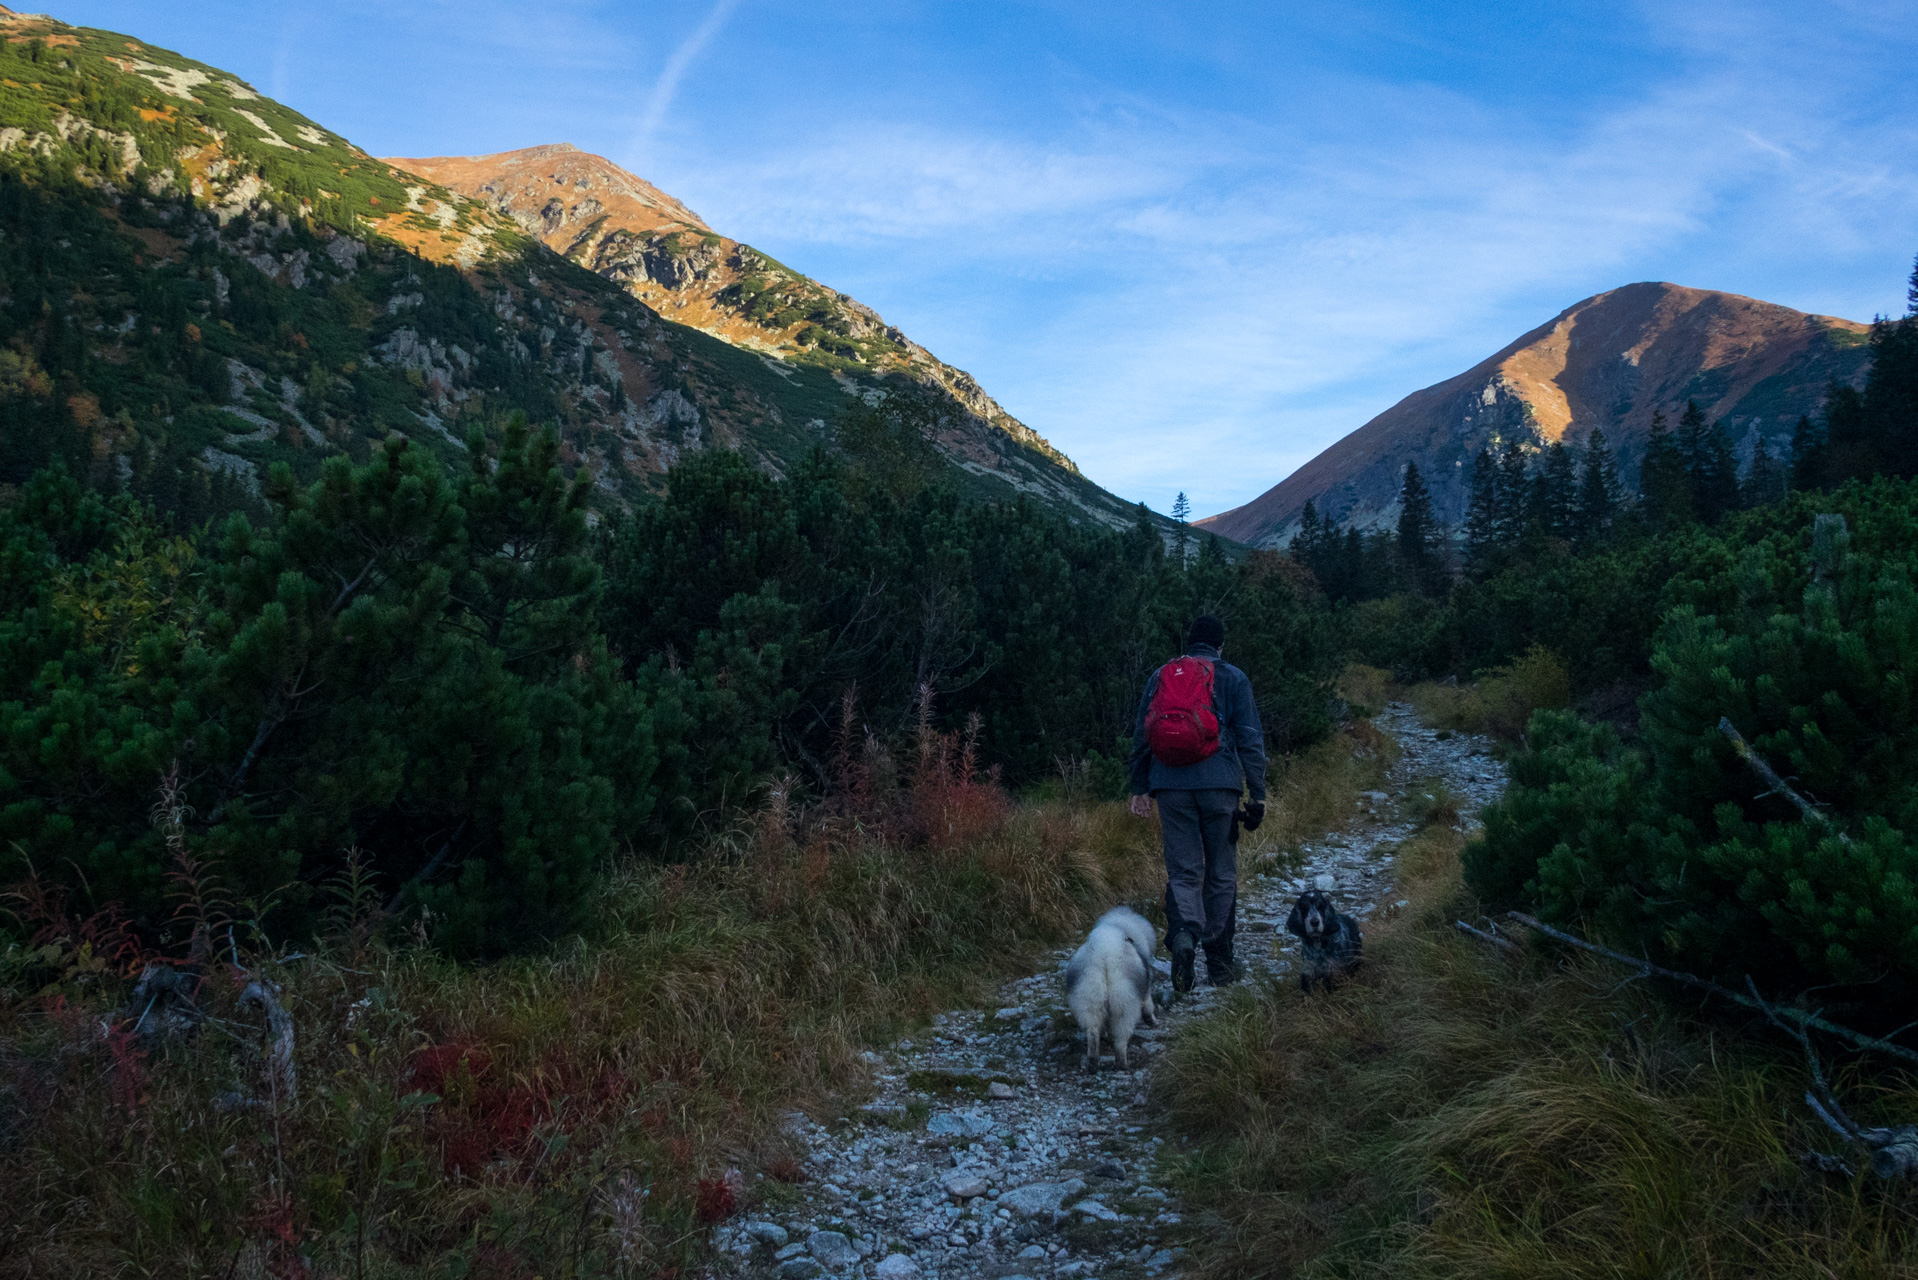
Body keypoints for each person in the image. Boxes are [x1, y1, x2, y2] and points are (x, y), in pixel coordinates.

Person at [1127, 615, 1267, 991]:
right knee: (1221, 873)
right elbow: (1250, 740)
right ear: (1221, 646)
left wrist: (1139, 786)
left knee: (1184, 872)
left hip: (1170, 786)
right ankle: (1220, 965)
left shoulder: (1161, 676)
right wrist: (1258, 793)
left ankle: (1184, 937)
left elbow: (1143, 734)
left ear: (1189, 644)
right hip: (1220, 786)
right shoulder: (1234, 678)